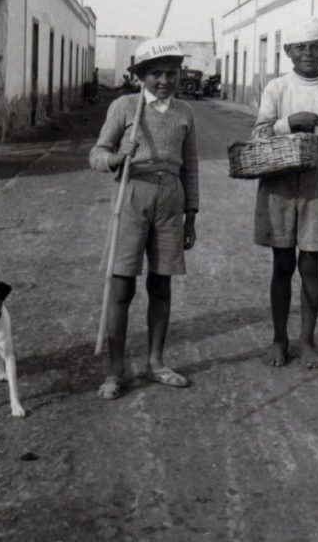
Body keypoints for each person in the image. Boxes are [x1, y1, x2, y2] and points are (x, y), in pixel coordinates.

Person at [89, 39, 199, 399]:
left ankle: (156, 362)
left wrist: (191, 215)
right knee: (122, 285)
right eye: (155, 73)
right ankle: (115, 370)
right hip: (132, 193)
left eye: (171, 73)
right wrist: (117, 159)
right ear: (140, 76)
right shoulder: (124, 107)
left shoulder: (185, 112)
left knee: (161, 285)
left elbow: (192, 167)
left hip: (171, 198)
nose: (164, 80)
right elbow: (97, 153)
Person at [252, 17, 318, 369]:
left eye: (315, 46)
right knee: (282, 263)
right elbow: (259, 136)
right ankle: (279, 339)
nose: (308, 53)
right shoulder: (277, 89)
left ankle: (308, 341)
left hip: (316, 183)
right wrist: (288, 123)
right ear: (287, 52)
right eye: (300, 47)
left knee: (310, 263)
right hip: (279, 182)